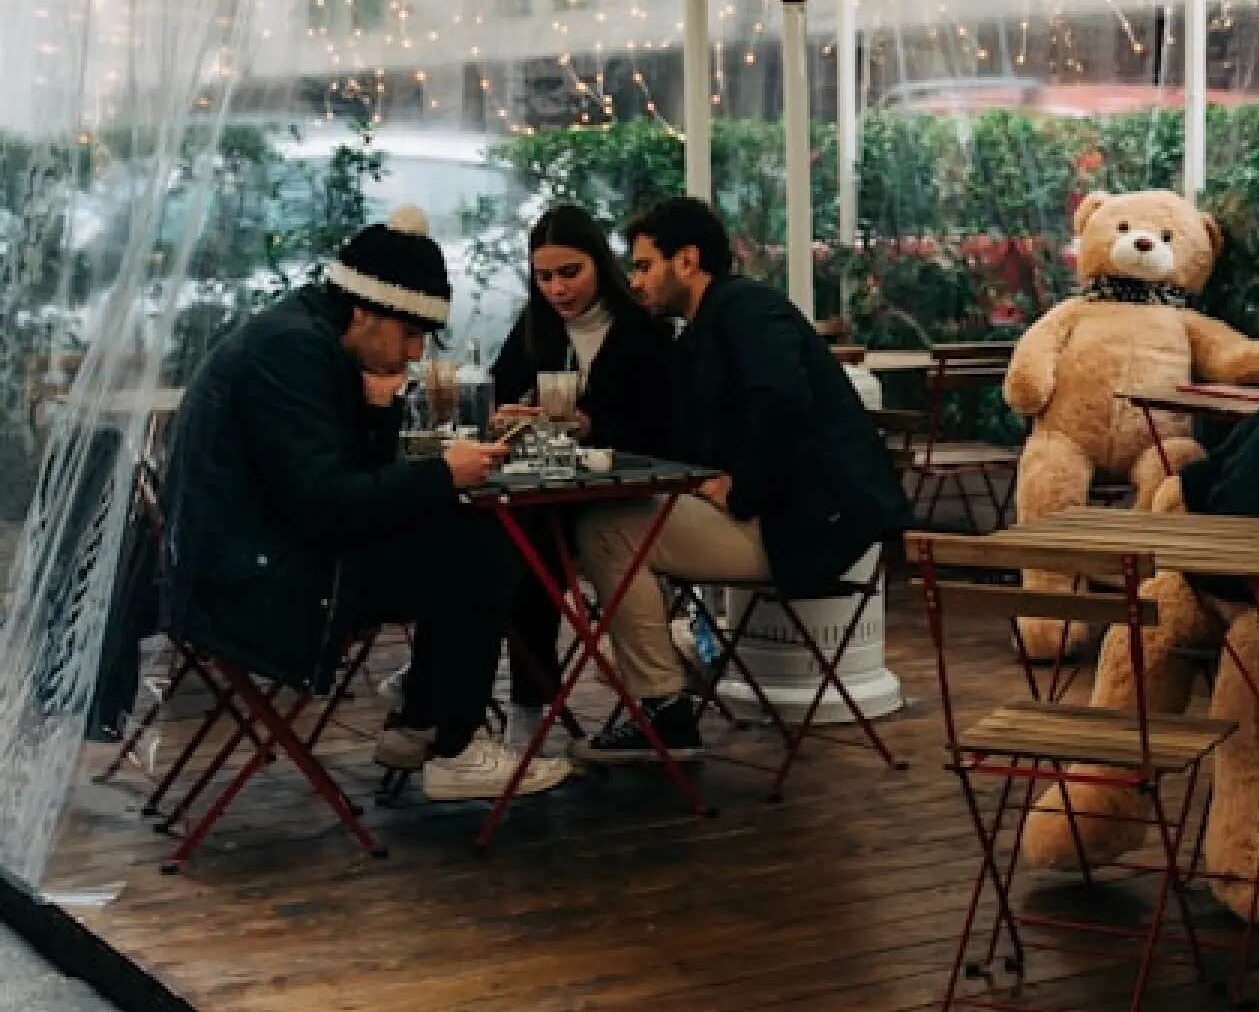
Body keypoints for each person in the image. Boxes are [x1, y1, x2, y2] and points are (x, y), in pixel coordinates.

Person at [161, 206, 573, 801]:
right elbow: (325, 503)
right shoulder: (294, 355)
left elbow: (353, 482)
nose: (412, 355)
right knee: (480, 545)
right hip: (252, 581)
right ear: (364, 311)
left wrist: (379, 415)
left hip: (255, 555)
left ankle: (419, 725)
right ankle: (454, 748)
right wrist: (440, 474)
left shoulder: (307, 337)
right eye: (408, 335)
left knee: (460, 529)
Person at [568, 196, 914, 763]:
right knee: (599, 524)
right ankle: (669, 682)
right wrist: (584, 425)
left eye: (644, 265)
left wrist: (742, 488)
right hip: (788, 516)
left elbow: (782, 403)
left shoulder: (747, 308)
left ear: (687, 260)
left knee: (605, 528)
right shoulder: (704, 327)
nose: (635, 281)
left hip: (811, 529)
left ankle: (664, 708)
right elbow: (673, 436)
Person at [487, 204, 677, 750]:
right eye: (544, 276)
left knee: (523, 548)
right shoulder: (533, 329)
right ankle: (459, 680)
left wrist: (593, 423)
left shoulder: (642, 333)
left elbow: (662, 427)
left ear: (600, 264)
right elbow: (506, 398)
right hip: (549, 489)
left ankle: (520, 702)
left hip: (622, 496)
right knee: (495, 538)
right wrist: (510, 418)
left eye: (570, 273)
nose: (556, 289)